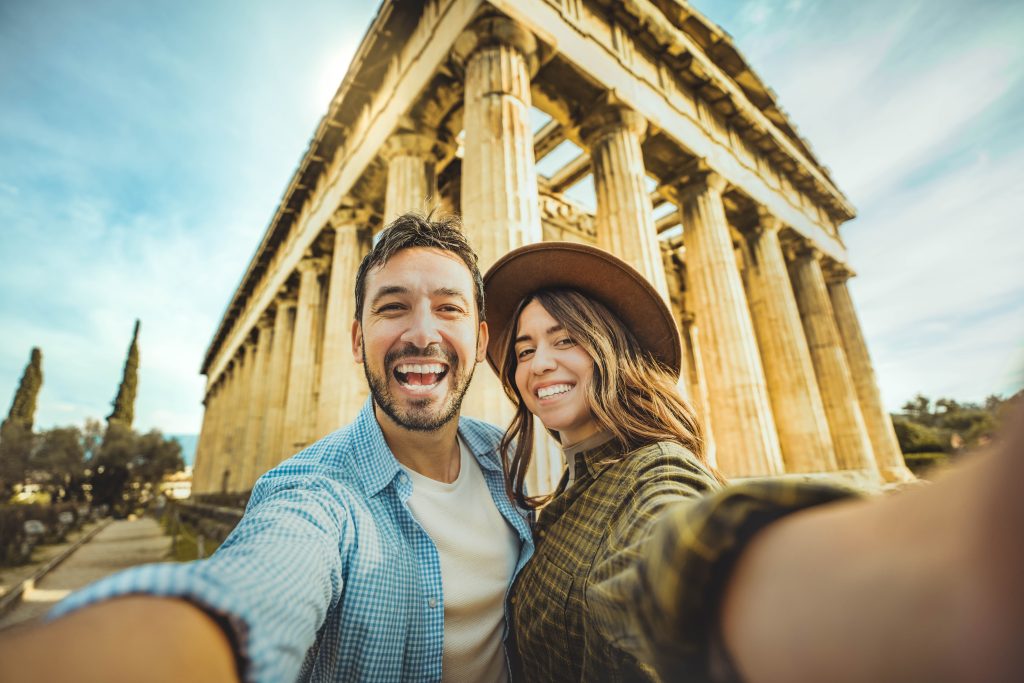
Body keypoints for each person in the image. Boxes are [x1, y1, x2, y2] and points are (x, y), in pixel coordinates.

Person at [0, 213, 534, 682]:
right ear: (355, 340)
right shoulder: (313, 493)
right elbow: (259, 584)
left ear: (482, 340)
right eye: (393, 307)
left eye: (449, 308)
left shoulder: (505, 455)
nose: (422, 333)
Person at [482, 241, 1024, 683]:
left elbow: (677, 553)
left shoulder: (654, 472)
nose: (539, 363)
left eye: (566, 339)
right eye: (525, 350)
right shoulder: (568, 489)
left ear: (613, 352)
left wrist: (916, 564)